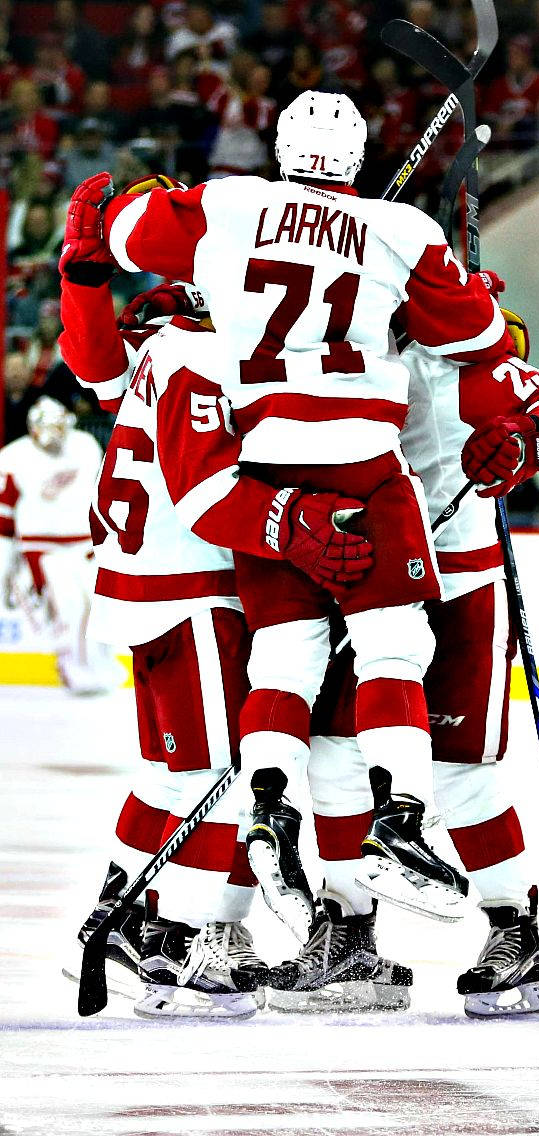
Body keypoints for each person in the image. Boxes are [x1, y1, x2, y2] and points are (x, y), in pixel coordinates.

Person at [79, 89, 517, 943]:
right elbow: (478, 340)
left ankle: (269, 810)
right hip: (364, 462)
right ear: (357, 156)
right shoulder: (401, 229)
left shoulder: (229, 205)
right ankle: (399, 820)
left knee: (282, 657)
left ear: (279, 148)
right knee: (394, 645)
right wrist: (436, 286)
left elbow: (123, 230)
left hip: (268, 466)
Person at [57, 178, 394, 1015]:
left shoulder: (161, 343)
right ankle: (183, 938)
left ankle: (123, 916)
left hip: (141, 586)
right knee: (230, 771)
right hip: (194, 586)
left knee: (168, 773)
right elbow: (211, 488)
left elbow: (94, 363)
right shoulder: (205, 358)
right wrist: (297, 522)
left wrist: (84, 279)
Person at [270, 297, 539, 1015]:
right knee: (334, 757)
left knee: (457, 771)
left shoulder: (475, 365)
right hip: (366, 581)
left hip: (460, 586)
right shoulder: (345, 357)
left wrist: (525, 439)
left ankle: (515, 929)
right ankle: (349, 933)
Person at [0, 395, 122, 694]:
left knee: (99, 607)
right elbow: (4, 521)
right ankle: (72, 667)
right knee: (69, 606)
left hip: (86, 544)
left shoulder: (85, 446)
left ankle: (101, 665)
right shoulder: (13, 457)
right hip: (42, 548)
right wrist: (6, 567)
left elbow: (103, 493)